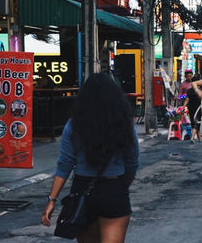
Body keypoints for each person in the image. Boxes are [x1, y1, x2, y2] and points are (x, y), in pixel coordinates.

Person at [40, 73, 139, 242]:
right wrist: (121, 186)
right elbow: (132, 162)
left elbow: (64, 165)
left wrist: (52, 200)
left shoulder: (74, 124)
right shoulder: (124, 124)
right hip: (115, 188)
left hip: (82, 190)